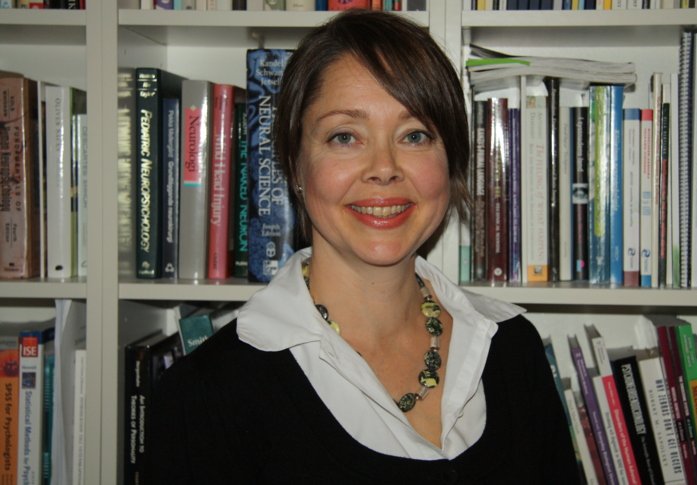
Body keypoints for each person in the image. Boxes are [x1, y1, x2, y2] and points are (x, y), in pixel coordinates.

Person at [148, 9, 578, 483]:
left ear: (450, 159)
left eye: (414, 135)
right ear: (295, 164)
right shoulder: (206, 396)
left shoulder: (514, 350)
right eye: (345, 136)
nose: (384, 168)